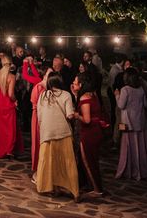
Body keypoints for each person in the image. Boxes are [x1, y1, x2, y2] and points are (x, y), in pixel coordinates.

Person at [36, 72, 79, 202]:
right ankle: (74, 191)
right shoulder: (66, 95)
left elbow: (40, 115)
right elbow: (70, 115)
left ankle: (50, 187)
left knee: (48, 161)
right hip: (63, 132)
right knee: (67, 162)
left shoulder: (43, 95)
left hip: (47, 132)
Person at [115, 67, 147, 180]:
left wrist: (117, 95)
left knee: (129, 147)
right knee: (141, 147)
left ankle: (130, 170)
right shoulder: (141, 89)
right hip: (140, 121)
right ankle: (142, 170)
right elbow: (145, 104)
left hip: (128, 123)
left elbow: (121, 105)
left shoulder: (125, 89)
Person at [72, 73, 105, 196]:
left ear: (81, 85)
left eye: (75, 82)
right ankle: (93, 185)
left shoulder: (84, 98)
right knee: (91, 159)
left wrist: (76, 115)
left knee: (88, 160)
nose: (73, 84)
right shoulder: (93, 94)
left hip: (89, 132)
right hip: (96, 130)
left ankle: (97, 189)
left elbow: (86, 119)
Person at [0, 54, 23, 158]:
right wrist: (15, 101)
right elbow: (11, 94)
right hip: (6, 101)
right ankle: (8, 149)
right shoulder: (11, 77)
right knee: (9, 125)